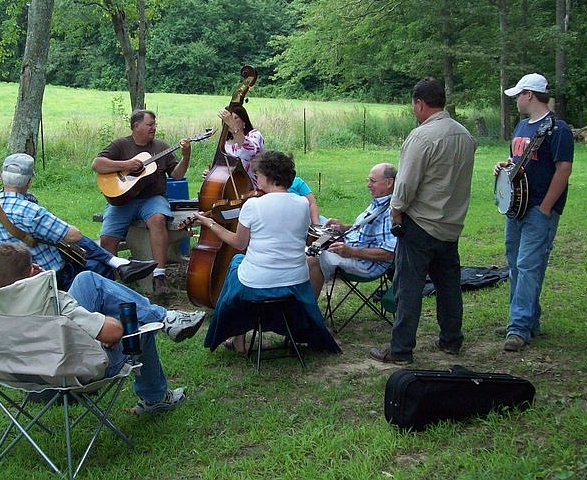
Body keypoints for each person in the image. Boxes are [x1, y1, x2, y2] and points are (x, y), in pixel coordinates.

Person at [0, 242, 206, 413]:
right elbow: (114, 332)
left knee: (86, 280)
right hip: (69, 374)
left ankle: (167, 319)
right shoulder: (52, 302)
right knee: (140, 326)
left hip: (18, 372)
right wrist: (104, 326)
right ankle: (156, 396)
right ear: (33, 270)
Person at [370, 77, 476, 365]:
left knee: (409, 287)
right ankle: (451, 340)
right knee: (449, 285)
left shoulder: (421, 137)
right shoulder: (465, 136)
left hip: (421, 223)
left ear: (419, 103)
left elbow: (405, 184)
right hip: (451, 223)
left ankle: (401, 349)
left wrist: (396, 210)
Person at [194, 150, 341, 354]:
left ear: (269, 176)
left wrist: (211, 224)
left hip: (258, 283)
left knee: (237, 262)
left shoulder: (253, 205)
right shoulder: (302, 204)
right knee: (243, 264)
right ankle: (262, 332)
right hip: (295, 281)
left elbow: (238, 243)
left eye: (258, 174)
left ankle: (238, 336)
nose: (256, 178)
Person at [0, 153, 157, 290]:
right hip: (48, 280)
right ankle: (112, 277)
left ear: (2, 177)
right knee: (98, 267)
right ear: (29, 181)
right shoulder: (30, 211)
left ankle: (119, 263)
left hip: (8, 286)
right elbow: (73, 235)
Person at [494, 73, 574, 352]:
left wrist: (546, 207)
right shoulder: (522, 127)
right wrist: (505, 167)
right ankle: (528, 320)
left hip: (539, 209)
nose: (516, 100)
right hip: (516, 207)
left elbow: (563, 169)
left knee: (528, 266)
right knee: (516, 264)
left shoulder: (557, 129)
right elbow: (518, 160)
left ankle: (517, 327)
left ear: (530, 94)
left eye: (519, 95)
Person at [92, 110, 194, 302]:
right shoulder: (121, 145)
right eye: (150, 124)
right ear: (136, 126)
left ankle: (159, 277)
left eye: (155, 124)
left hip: (152, 198)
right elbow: (97, 164)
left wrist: (186, 157)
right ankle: (111, 283)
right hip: (122, 200)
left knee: (158, 219)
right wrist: (126, 164)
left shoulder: (161, 147)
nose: (154, 128)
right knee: (107, 239)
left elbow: (177, 175)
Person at [307, 163, 397, 299]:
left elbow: (389, 253)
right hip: (351, 249)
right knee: (307, 249)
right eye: (368, 180)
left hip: (365, 264)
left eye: (373, 181)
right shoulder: (379, 202)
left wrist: (351, 252)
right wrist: (343, 228)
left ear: (389, 183)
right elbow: (364, 228)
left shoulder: (390, 212)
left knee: (312, 259)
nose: (368, 185)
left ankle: (308, 313)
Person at [217, 105, 265, 189]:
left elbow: (248, 153)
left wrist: (235, 129)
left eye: (235, 118)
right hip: (233, 190)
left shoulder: (254, 135)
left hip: (255, 189)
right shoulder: (224, 145)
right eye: (228, 119)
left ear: (244, 121)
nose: (231, 121)